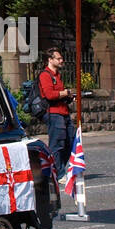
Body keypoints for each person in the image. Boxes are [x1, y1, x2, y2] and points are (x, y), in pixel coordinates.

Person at [38, 47, 75, 177]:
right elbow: (49, 95)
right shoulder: (45, 75)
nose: (61, 60)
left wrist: (67, 96)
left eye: (61, 58)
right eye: (58, 58)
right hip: (54, 113)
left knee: (70, 141)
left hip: (64, 112)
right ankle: (58, 174)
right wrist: (64, 93)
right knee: (57, 144)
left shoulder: (57, 75)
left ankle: (59, 169)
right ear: (50, 60)